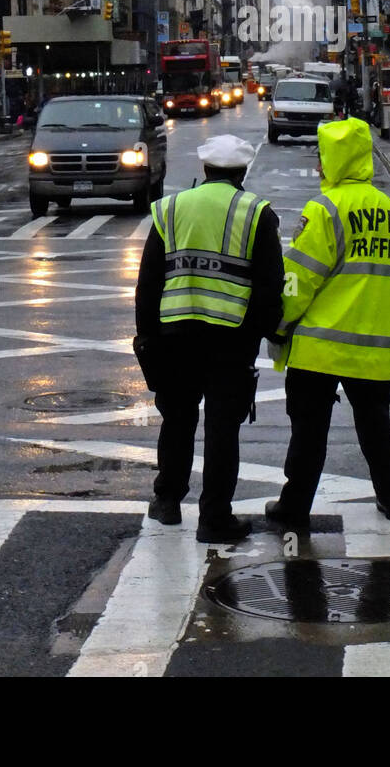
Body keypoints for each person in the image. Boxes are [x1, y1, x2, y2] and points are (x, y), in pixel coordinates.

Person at [134, 134, 284, 543]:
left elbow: (149, 281)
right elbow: (269, 286)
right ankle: (214, 518)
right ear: (242, 172)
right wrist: (265, 332)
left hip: (174, 336)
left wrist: (145, 335)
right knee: (221, 429)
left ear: (206, 170)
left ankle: (167, 502)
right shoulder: (256, 213)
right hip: (230, 340)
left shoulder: (172, 208)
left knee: (178, 420)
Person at [266, 117, 390, 530]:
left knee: (309, 434)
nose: (318, 168)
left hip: (320, 345)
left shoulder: (324, 209)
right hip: (374, 345)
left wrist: (278, 325)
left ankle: (294, 508)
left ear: (336, 161)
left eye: (323, 159)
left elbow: (300, 278)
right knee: (375, 425)